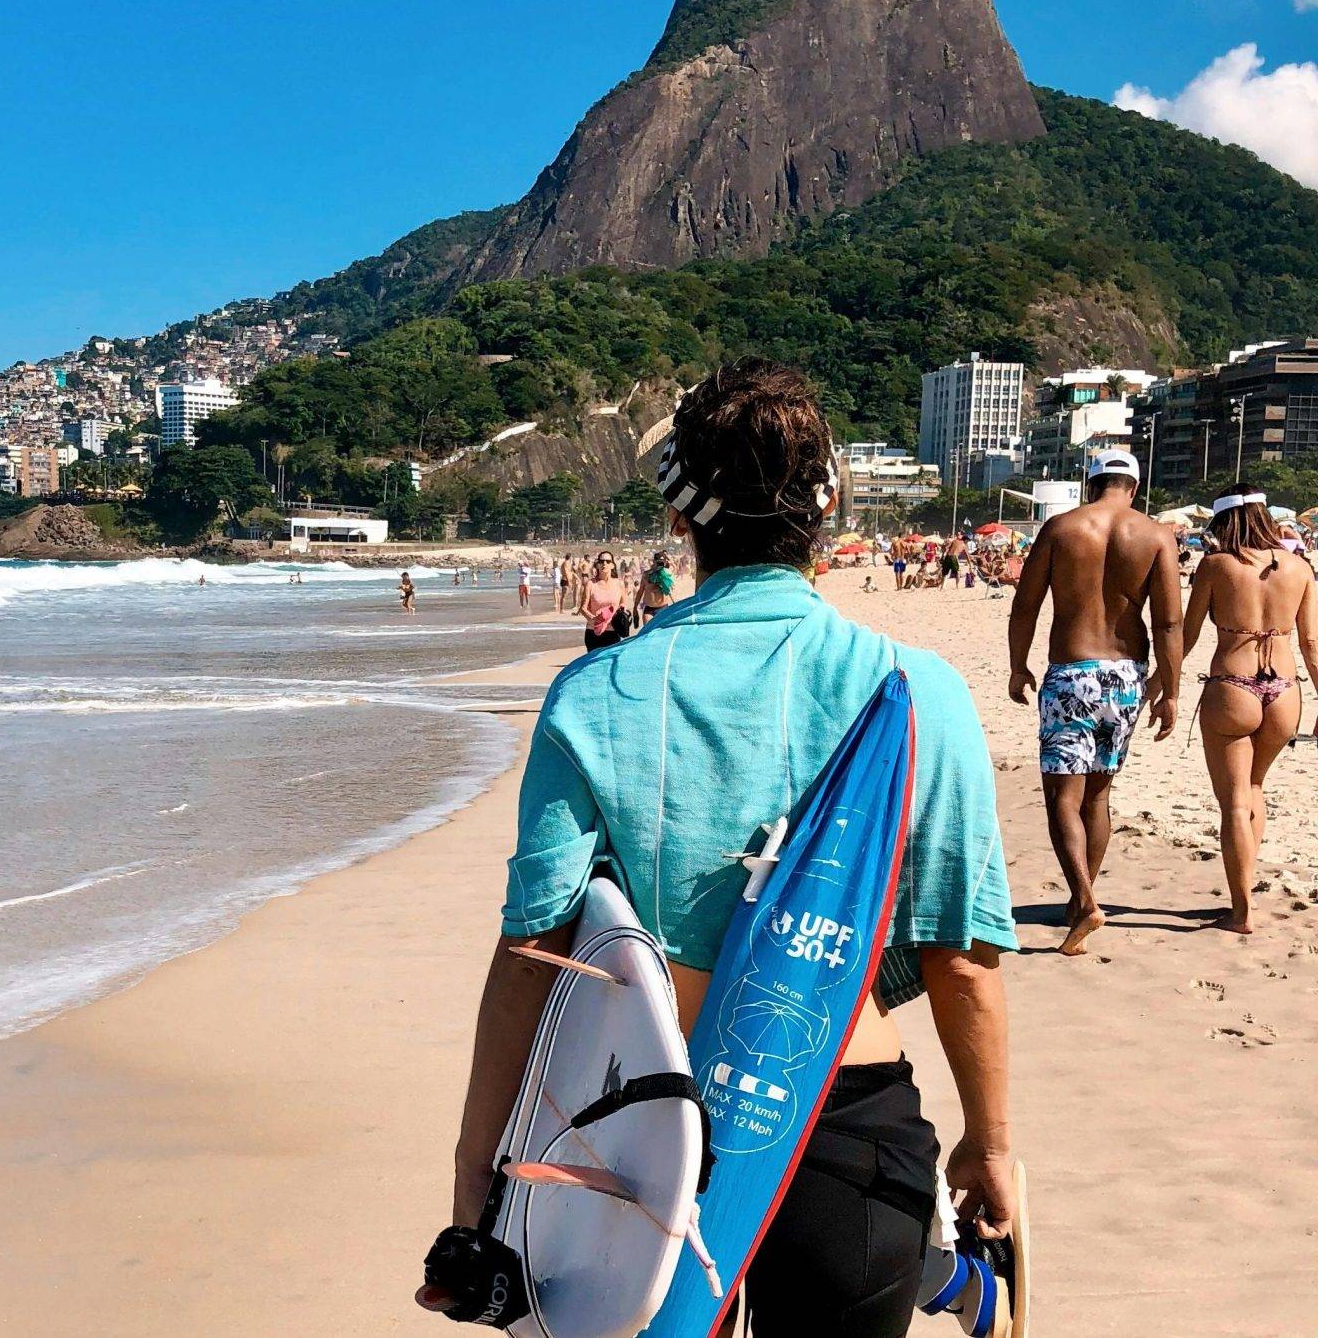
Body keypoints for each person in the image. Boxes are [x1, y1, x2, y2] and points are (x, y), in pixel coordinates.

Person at [420, 360, 1016, 1335]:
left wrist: (472, 1185)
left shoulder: (597, 693)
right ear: (831, 509)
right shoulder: (918, 692)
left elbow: (536, 948)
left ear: (680, 517)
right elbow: (962, 964)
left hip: (646, 1138)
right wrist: (989, 1144)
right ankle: (968, 1285)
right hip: (846, 1127)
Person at [1007, 448, 1182, 956]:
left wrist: (1018, 665)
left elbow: (1026, 604)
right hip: (1125, 677)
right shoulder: (1155, 535)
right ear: (1134, 486)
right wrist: (1169, 690)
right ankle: (1081, 896)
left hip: (1071, 674)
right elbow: (1169, 623)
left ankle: (1083, 901)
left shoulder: (1062, 528)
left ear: (1092, 483)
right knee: (1098, 796)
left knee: (1062, 797)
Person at [1181, 486, 1318, 933]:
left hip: (1232, 686)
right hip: (1285, 690)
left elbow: (1187, 635)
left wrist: (1159, 685)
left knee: (1234, 802)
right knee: (1255, 786)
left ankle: (1241, 912)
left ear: (1222, 523)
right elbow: (1311, 644)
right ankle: (1245, 891)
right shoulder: (1299, 568)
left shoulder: (1216, 566)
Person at [576, 549, 630, 650]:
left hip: (613, 631)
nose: (604, 564)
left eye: (608, 561)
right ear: (597, 565)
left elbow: (623, 603)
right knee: (593, 664)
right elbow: (583, 608)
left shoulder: (619, 584)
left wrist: (622, 613)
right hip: (594, 631)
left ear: (612, 565)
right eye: (601, 561)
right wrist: (595, 619)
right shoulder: (591, 584)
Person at [634, 548, 677, 623]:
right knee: (648, 632)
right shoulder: (646, 575)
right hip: (649, 609)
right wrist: (635, 607)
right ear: (654, 561)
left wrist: (675, 606)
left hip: (663, 608)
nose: (661, 564)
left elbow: (670, 591)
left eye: (662, 562)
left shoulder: (667, 574)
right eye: (659, 562)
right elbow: (640, 591)